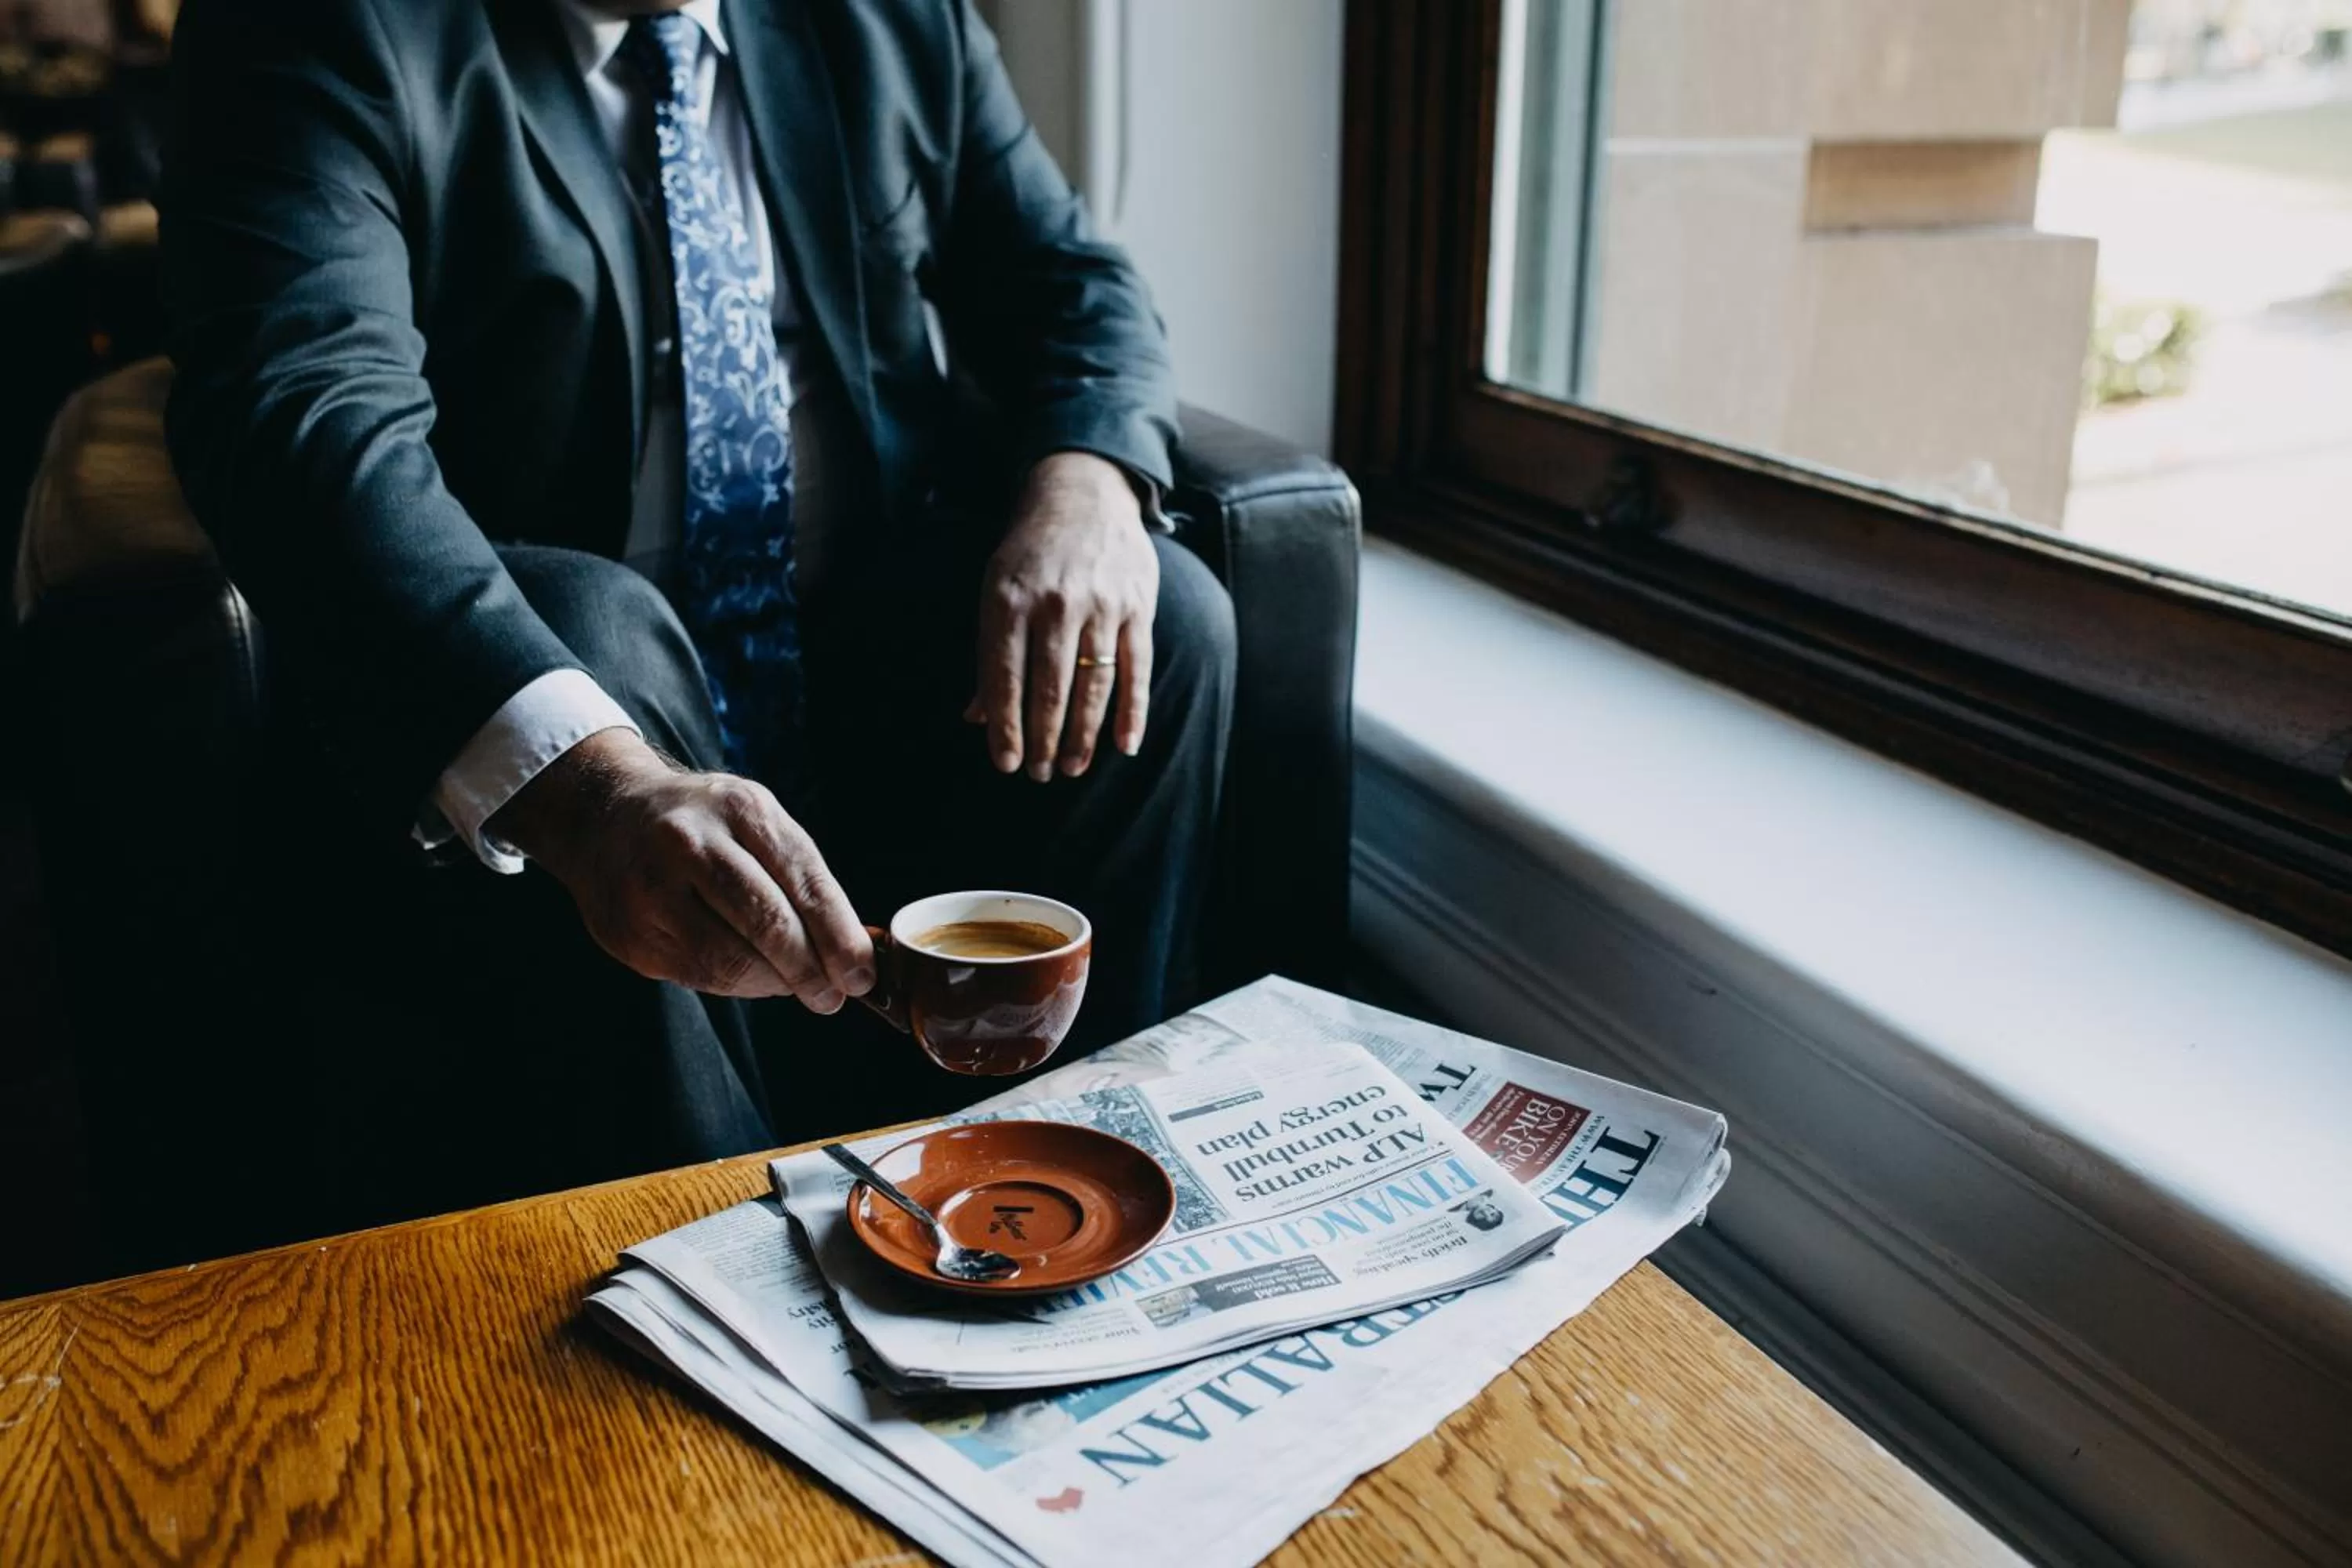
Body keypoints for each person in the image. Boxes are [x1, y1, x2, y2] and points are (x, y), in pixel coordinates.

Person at [158, 0, 1234, 1243]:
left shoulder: (891, 21)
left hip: (859, 669)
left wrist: (1088, 488)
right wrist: (592, 785)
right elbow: (301, 412)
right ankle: (722, 1294)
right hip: (549, 718)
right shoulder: (314, 27)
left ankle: (1077, 1212)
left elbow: (1072, 281)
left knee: (1165, 618)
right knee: (602, 629)